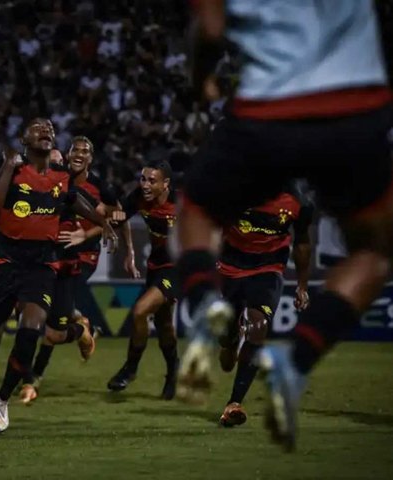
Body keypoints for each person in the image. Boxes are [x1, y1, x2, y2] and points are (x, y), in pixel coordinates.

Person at [176, 0, 392, 450]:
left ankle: (201, 302)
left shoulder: (294, 207)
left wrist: (202, 84)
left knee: (195, 211)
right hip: (354, 110)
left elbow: (209, 31)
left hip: (268, 108)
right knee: (373, 253)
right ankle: (297, 357)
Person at [0, 118, 118, 433]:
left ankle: (2, 399)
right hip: (2, 264)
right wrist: (7, 166)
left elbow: (74, 200)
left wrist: (101, 223)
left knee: (32, 330)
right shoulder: (14, 171)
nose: (46, 130)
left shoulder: (62, 177)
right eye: (38, 128)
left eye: (50, 128)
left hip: (40, 266)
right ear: (24, 138)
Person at [19, 136, 132, 405]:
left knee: (51, 320)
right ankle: (76, 327)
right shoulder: (59, 179)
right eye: (75, 150)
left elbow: (118, 216)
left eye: (85, 151)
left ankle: (35, 375)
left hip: (83, 257)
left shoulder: (99, 188)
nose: (79, 155)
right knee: (50, 323)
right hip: (56, 255)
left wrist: (125, 249)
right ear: (68, 156)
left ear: (91, 159)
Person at [217, 186, 313, 426]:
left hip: (269, 269)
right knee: (227, 334)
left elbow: (302, 242)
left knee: (258, 327)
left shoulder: (300, 202)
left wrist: (302, 285)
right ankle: (229, 341)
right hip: (230, 266)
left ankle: (234, 403)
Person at [105, 160, 180, 400]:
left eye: (151, 180)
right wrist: (103, 216)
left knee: (140, 311)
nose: (145, 185)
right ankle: (173, 373)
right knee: (164, 323)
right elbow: (120, 215)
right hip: (157, 266)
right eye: (143, 179)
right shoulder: (139, 197)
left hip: (179, 268)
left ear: (165, 184)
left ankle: (130, 368)